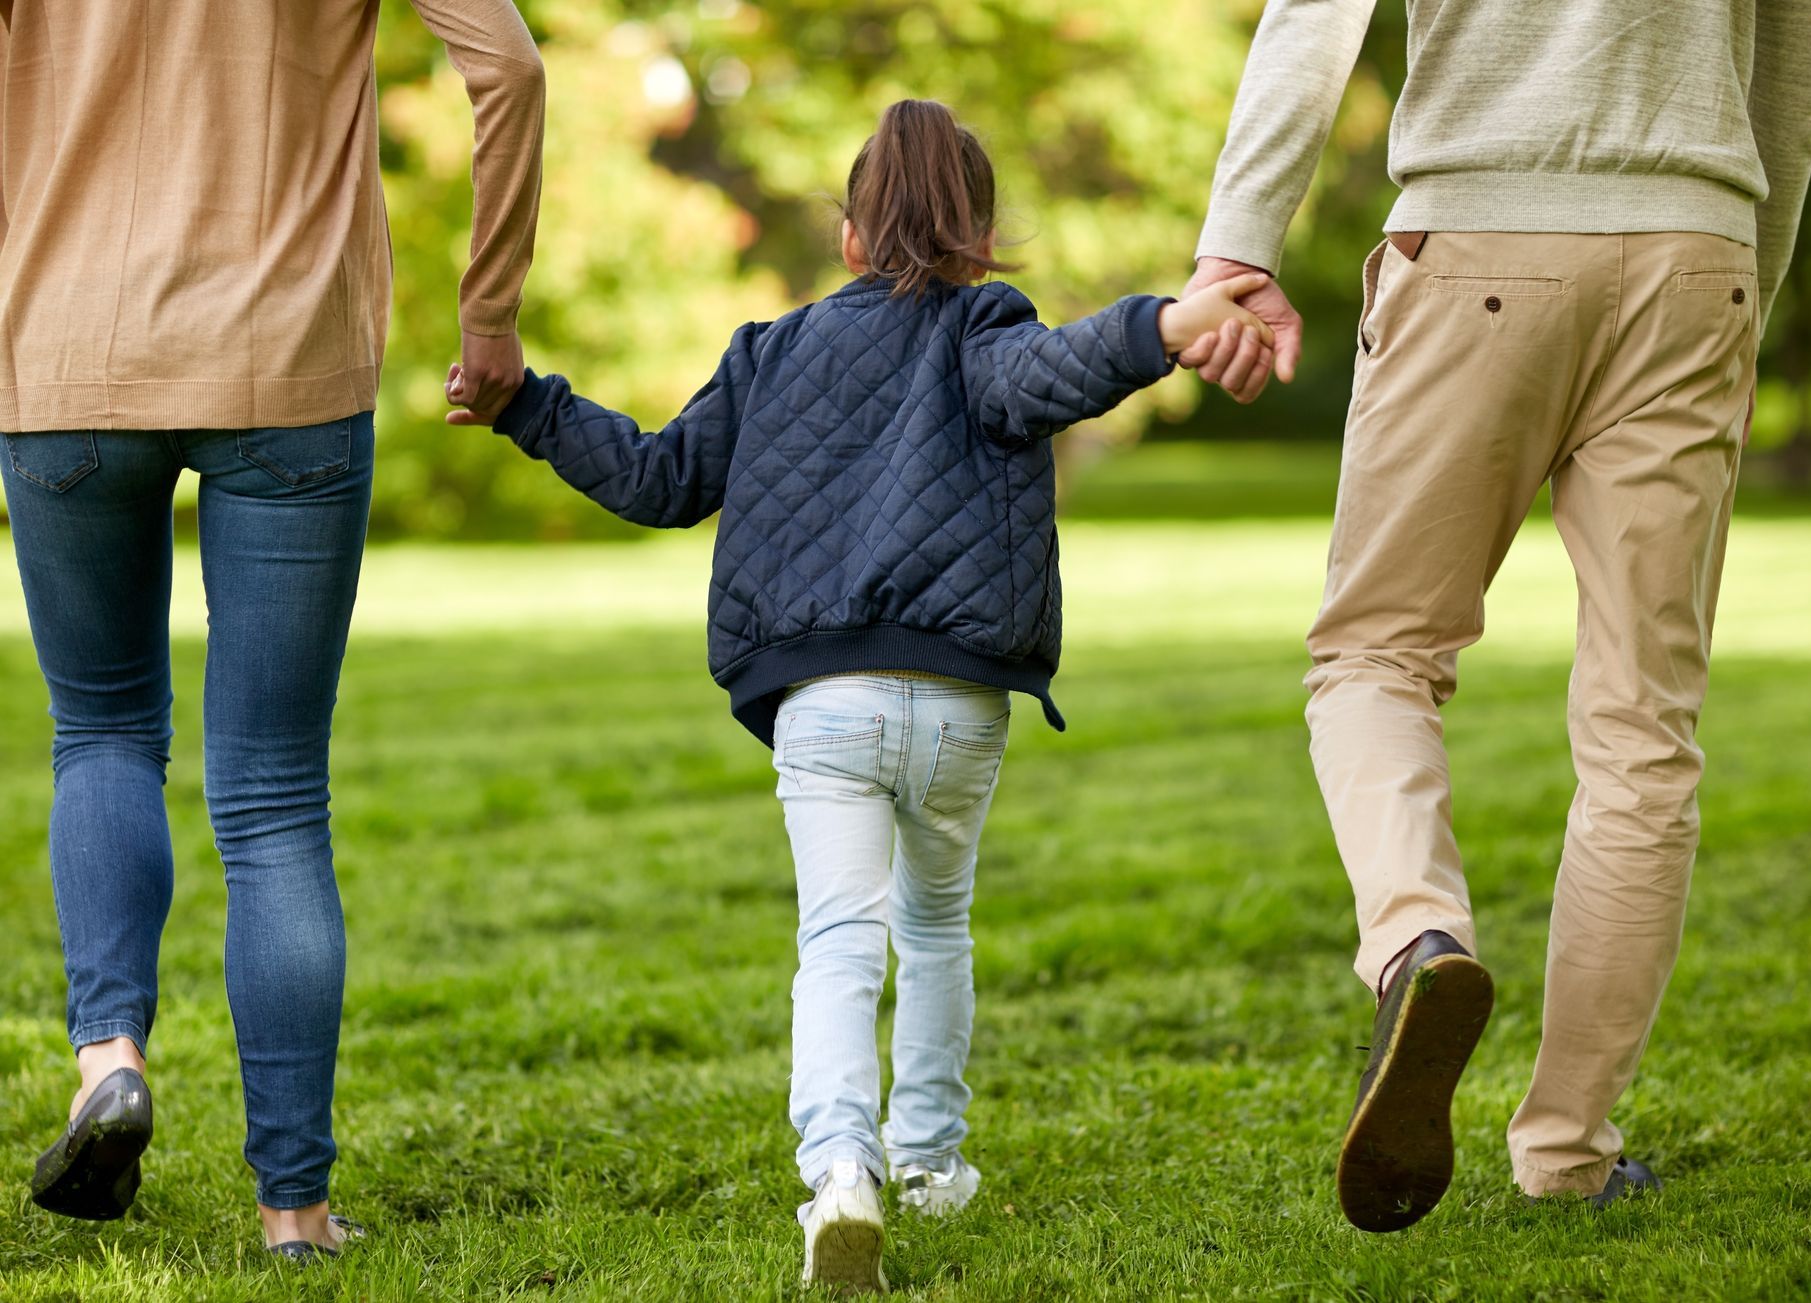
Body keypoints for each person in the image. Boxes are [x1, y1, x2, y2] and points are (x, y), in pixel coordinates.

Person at [455, 98, 1272, 1293]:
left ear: (848, 236)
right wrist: (1169, 324)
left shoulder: (768, 351)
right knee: (935, 926)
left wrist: (527, 402)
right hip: (958, 703)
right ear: (981, 234)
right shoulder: (987, 328)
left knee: (837, 941)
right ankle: (930, 1162)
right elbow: (1066, 367)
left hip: (820, 700)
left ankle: (842, 1170)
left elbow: (656, 477)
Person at [1184, 0, 1811, 1230]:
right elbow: (1795, 76)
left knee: (1377, 652)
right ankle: (1568, 1151)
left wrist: (1240, 244)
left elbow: (1312, 18)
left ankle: (1419, 941)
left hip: (1477, 230)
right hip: (1699, 251)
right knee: (1646, 730)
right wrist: (1743, 281)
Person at [0, 0, 543, 1258]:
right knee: (274, 794)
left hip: (66, 355)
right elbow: (508, 65)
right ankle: (293, 1208)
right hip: (286, 364)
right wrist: (491, 311)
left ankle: (106, 1064)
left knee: (102, 734)